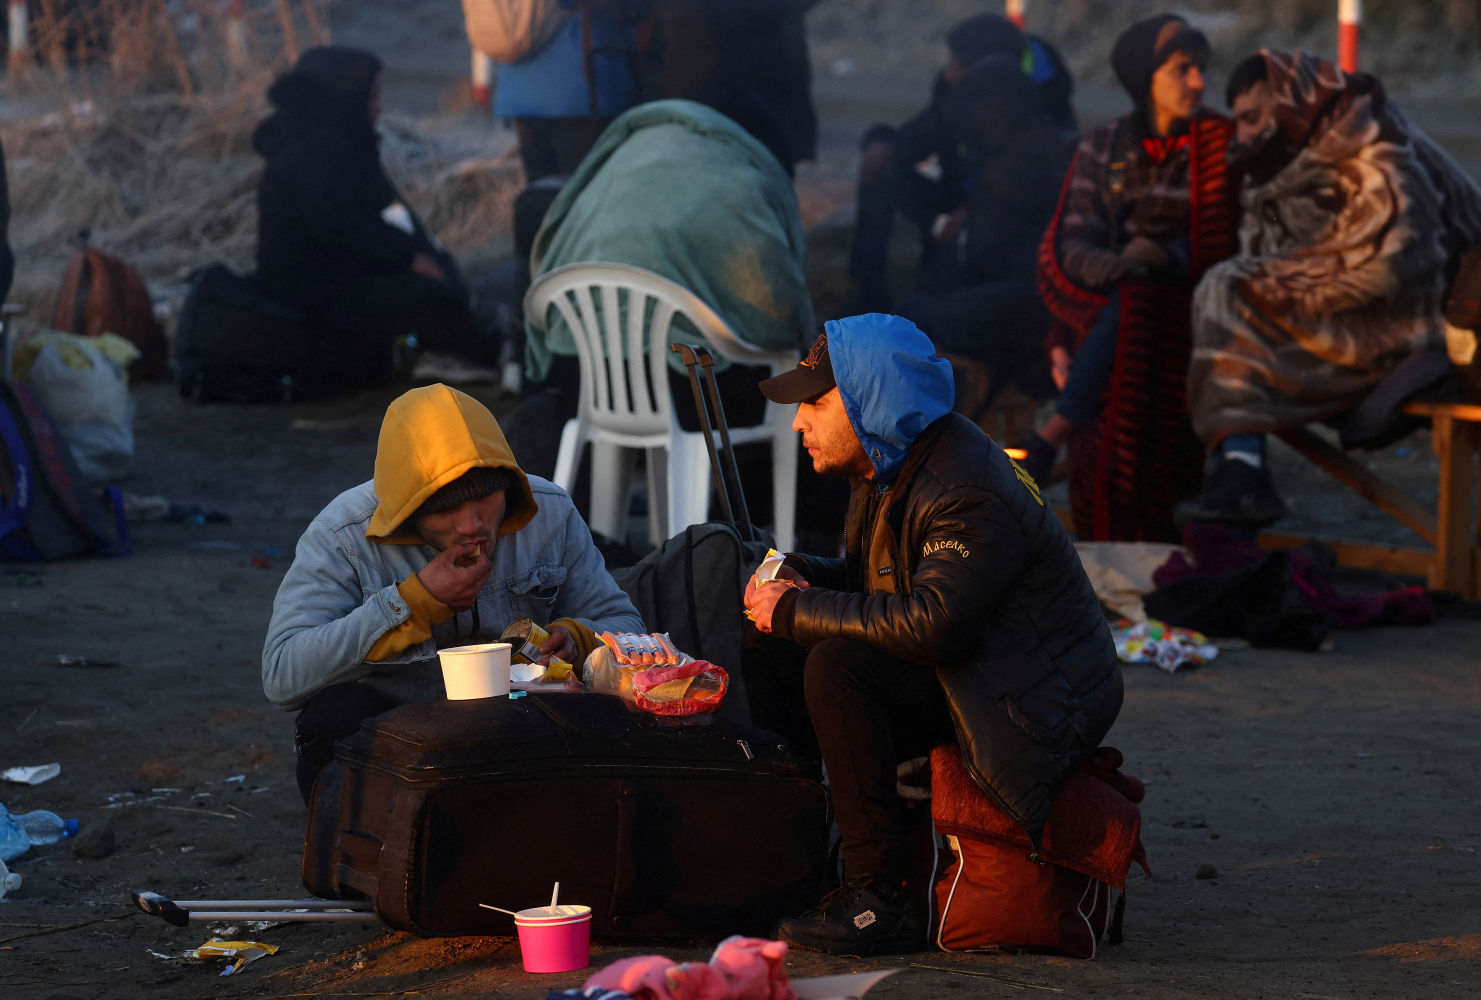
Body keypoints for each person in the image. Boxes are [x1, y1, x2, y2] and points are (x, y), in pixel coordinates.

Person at [742, 315, 1122, 956]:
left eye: (815, 402)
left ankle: (878, 898)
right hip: (981, 671)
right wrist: (803, 578)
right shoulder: (892, 460)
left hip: (1033, 703)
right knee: (780, 639)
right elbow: (881, 583)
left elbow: (933, 622)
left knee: (837, 665)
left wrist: (797, 610)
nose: (798, 422)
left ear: (870, 401)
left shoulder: (962, 486)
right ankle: (802, 852)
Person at [262, 382, 644, 801]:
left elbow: (626, 626)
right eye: (445, 509)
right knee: (331, 716)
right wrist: (413, 604)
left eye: (485, 498)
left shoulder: (550, 512)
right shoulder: (344, 535)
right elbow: (283, 675)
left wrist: (577, 636)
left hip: (525, 724)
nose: (471, 525)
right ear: (408, 514)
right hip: (402, 739)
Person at [1176, 49, 1481, 527]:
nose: (1245, 135)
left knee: (1228, 291)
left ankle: (1243, 471)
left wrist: (1280, 288)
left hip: (1414, 325)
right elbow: (1267, 255)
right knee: (1214, 303)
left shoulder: (1374, 146)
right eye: (1239, 123)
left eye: (1253, 119)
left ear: (1289, 101)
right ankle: (1238, 473)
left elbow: (1396, 261)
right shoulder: (1276, 164)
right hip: (1336, 315)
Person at [1030, 13, 1238, 542]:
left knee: (1139, 307)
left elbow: (1230, 242)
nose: (1197, 82)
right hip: (1112, 302)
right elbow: (1073, 242)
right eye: (1181, 69)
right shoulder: (1104, 147)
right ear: (1144, 76)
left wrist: (1165, 257)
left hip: (1195, 311)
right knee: (1131, 304)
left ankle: (1055, 430)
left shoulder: (1218, 144)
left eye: (1201, 69)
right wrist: (1126, 267)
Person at [253, 46, 494, 389]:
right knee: (430, 294)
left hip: (338, 271)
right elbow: (337, 228)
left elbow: (383, 212)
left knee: (442, 278)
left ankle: (453, 347)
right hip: (311, 285)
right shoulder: (315, 153)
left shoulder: (336, 141)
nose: (379, 108)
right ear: (343, 99)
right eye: (373, 97)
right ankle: (450, 355)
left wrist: (424, 253)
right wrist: (408, 259)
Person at [846, 12, 1076, 316]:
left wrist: (970, 213)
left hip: (1011, 242)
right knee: (883, 179)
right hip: (961, 197)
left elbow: (1029, 190)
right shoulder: (956, 86)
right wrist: (883, 142)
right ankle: (868, 300)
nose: (949, 72)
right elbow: (922, 134)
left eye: (957, 63)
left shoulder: (1043, 115)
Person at [893, 53, 1075, 423]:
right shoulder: (1056, 145)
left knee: (910, 315)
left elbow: (986, 258)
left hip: (1028, 309)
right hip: (1052, 305)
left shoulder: (1010, 167)